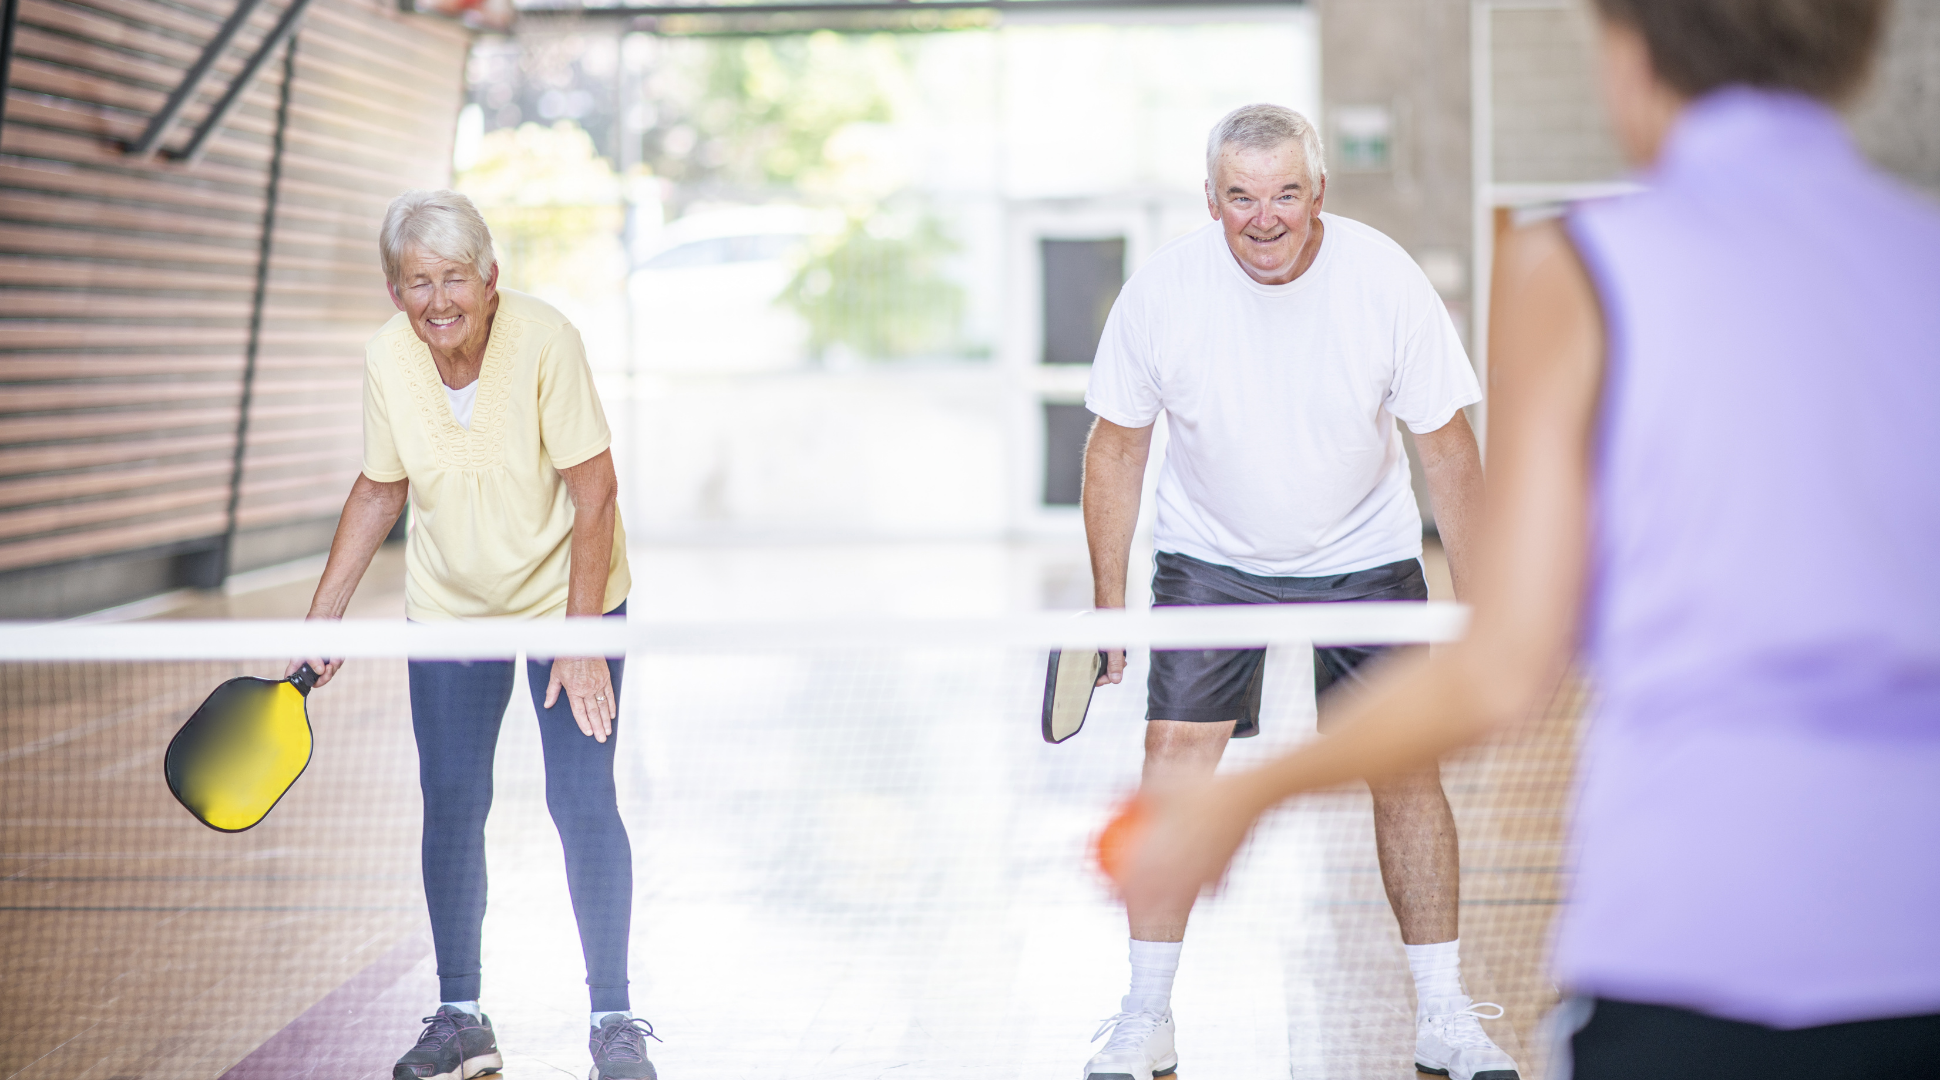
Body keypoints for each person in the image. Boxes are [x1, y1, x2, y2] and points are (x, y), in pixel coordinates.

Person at [1116, 2, 1940, 1077]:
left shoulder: (1583, 265)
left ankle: (1440, 1006)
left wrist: (1247, 797)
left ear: (1630, 56)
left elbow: (1507, 665)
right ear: (1862, 49)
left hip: (1688, 937)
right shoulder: (1917, 254)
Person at [1079, 104, 1515, 1080]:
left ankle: (1442, 1014)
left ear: (1317, 193)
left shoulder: (1381, 280)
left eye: (1283, 193)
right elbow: (1116, 447)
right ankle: (1143, 1014)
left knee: (1405, 772)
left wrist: (1490, 612)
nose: (1262, 217)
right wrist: (1110, 605)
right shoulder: (1162, 294)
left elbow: (1445, 450)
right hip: (1210, 560)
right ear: (1210, 200)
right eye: (1240, 196)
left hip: (1364, 557)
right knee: (1172, 761)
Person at [292, 190, 659, 1080]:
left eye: (455, 277)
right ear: (395, 291)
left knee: (581, 799)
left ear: (492, 282)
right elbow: (381, 487)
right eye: (419, 281)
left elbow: (595, 491)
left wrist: (579, 641)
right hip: (451, 608)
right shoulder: (388, 358)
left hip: (571, 599)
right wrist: (322, 614)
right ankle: (462, 1017)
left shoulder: (545, 340)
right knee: (452, 804)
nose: (439, 298)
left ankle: (613, 1018)